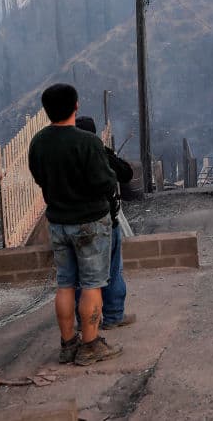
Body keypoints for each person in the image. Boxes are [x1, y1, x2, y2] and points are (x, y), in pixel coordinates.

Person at [28, 84, 122, 366]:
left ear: (46, 111)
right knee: (92, 285)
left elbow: (39, 177)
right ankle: (91, 345)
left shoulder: (39, 143)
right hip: (90, 224)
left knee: (66, 284)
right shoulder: (88, 142)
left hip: (57, 223)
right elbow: (105, 181)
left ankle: (68, 344)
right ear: (76, 106)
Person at [74, 116, 136, 330]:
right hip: (103, 220)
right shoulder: (99, 153)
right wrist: (107, 151)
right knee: (112, 269)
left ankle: (84, 322)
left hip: (74, 223)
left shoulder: (67, 156)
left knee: (80, 276)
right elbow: (126, 174)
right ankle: (113, 315)